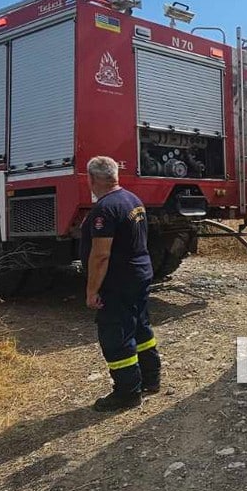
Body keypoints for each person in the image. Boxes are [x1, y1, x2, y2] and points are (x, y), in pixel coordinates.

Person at [80, 155, 160, 411]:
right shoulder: (132, 200)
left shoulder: (104, 209)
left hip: (118, 282)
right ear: (115, 175)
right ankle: (151, 379)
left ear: (92, 179)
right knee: (140, 327)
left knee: (116, 335)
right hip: (139, 274)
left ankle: (127, 393)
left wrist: (92, 290)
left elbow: (101, 255)